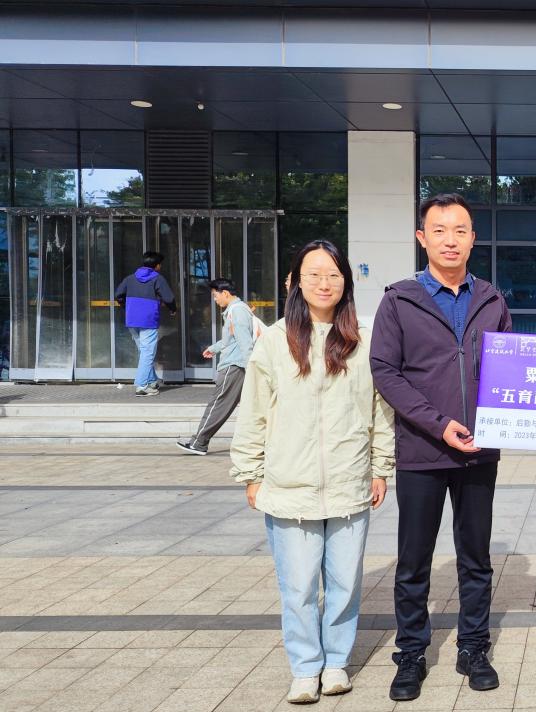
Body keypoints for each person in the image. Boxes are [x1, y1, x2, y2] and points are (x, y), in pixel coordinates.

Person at [230, 240, 395, 705]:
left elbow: (380, 410)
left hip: (349, 482)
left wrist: (381, 466)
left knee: (344, 583)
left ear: (346, 282)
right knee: (299, 586)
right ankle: (305, 668)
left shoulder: (363, 341)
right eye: (314, 275)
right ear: (296, 283)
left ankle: (336, 662)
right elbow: (253, 411)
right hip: (289, 486)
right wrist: (250, 472)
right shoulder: (275, 341)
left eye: (334, 275)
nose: (325, 283)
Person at [371, 193, 512, 702]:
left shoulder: (491, 299)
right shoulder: (399, 300)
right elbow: (384, 370)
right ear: (422, 238)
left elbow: (510, 369)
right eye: (439, 230)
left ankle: (474, 647)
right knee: (414, 559)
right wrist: (437, 423)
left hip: (479, 451)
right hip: (421, 451)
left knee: (475, 557)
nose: (450, 240)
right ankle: (411, 653)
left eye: (460, 230)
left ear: (473, 238)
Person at [177, 278, 256, 455]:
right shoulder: (237, 310)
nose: (214, 300)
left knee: (218, 405)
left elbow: (245, 343)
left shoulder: (237, 311)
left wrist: (252, 368)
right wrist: (214, 349)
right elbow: (231, 340)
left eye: (215, 296)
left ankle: (199, 443)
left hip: (234, 366)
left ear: (225, 293)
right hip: (238, 365)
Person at [114, 251, 177, 396]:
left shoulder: (130, 278)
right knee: (147, 353)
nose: (160, 267)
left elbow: (118, 294)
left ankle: (152, 380)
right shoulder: (157, 278)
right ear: (157, 265)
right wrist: (173, 309)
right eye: (160, 265)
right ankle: (142, 386)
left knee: (144, 352)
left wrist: (127, 307)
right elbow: (169, 298)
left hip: (132, 320)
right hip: (148, 320)